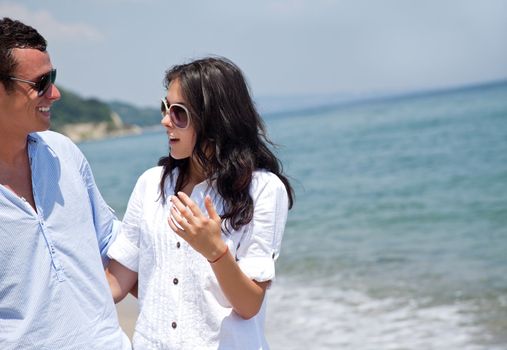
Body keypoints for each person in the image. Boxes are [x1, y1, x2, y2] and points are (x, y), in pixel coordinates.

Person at [105, 56, 294, 349]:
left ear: (216, 119)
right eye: (165, 108)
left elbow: (248, 304)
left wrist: (215, 251)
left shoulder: (263, 189)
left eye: (178, 112)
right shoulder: (151, 184)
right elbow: (117, 282)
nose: (165, 120)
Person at [0, 18, 130, 349]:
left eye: (53, 79)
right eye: (41, 83)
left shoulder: (63, 153)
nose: (54, 93)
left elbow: (114, 245)